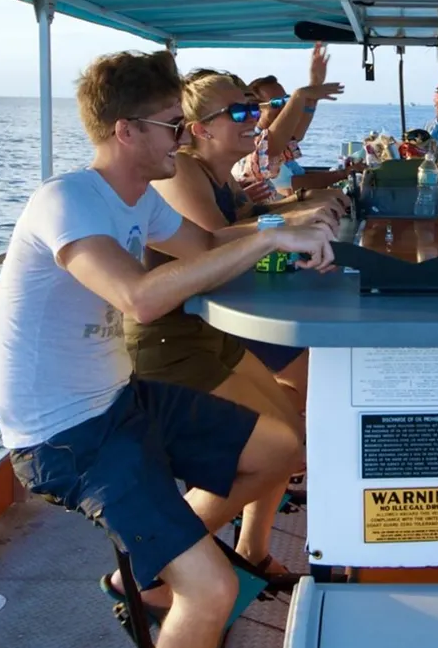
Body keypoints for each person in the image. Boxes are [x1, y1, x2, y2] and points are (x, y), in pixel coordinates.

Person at [0, 49, 332, 648]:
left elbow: (208, 246)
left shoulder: (138, 197)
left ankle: (149, 572)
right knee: (209, 590)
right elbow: (139, 297)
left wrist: (285, 231)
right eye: (173, 125)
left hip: (119, 400)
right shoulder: (67, 201)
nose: (182, 138)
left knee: (279, 443)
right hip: (65, 435)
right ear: (125, 130)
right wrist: (270, 236)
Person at [127, 70, 329, 580]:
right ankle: (152, 572)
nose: (254, 117)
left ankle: (252, 551)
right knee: (280, 446)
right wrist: (290, 222)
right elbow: (216, 240)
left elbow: (251, 220)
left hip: (211, 331)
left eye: (252, 107)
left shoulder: (219, 175)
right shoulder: (183, 171)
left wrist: (301, 211)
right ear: (200, 129)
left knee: (291, 436)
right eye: (239, 111)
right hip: (172, 341)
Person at [235, 44, 346, 204]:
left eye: (287, 100)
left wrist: (314, 86)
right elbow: (291, 187)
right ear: (256, 108)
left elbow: (296, 134)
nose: (287, 107)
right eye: (277, 103)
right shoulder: (252, 147)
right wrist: (344, 174)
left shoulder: (276, 141)